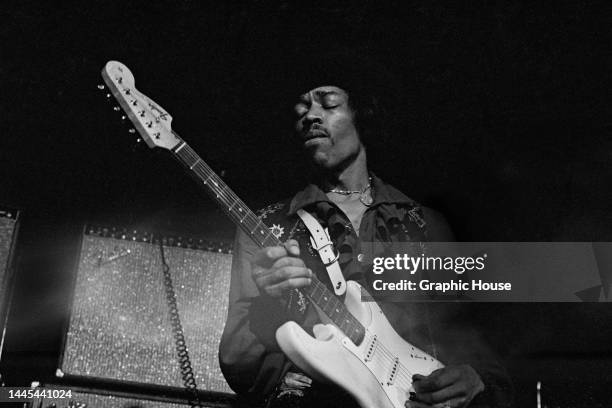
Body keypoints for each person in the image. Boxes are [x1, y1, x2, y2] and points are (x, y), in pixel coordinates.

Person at [219, 54, 513, 408]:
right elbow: (238, 365)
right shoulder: (269, 227)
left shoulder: (425, 224)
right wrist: (269, 305)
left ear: (362, 115)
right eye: (301, 108)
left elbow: (468, 339)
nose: (310, 115)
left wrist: (478, 379)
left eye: (328, 103)